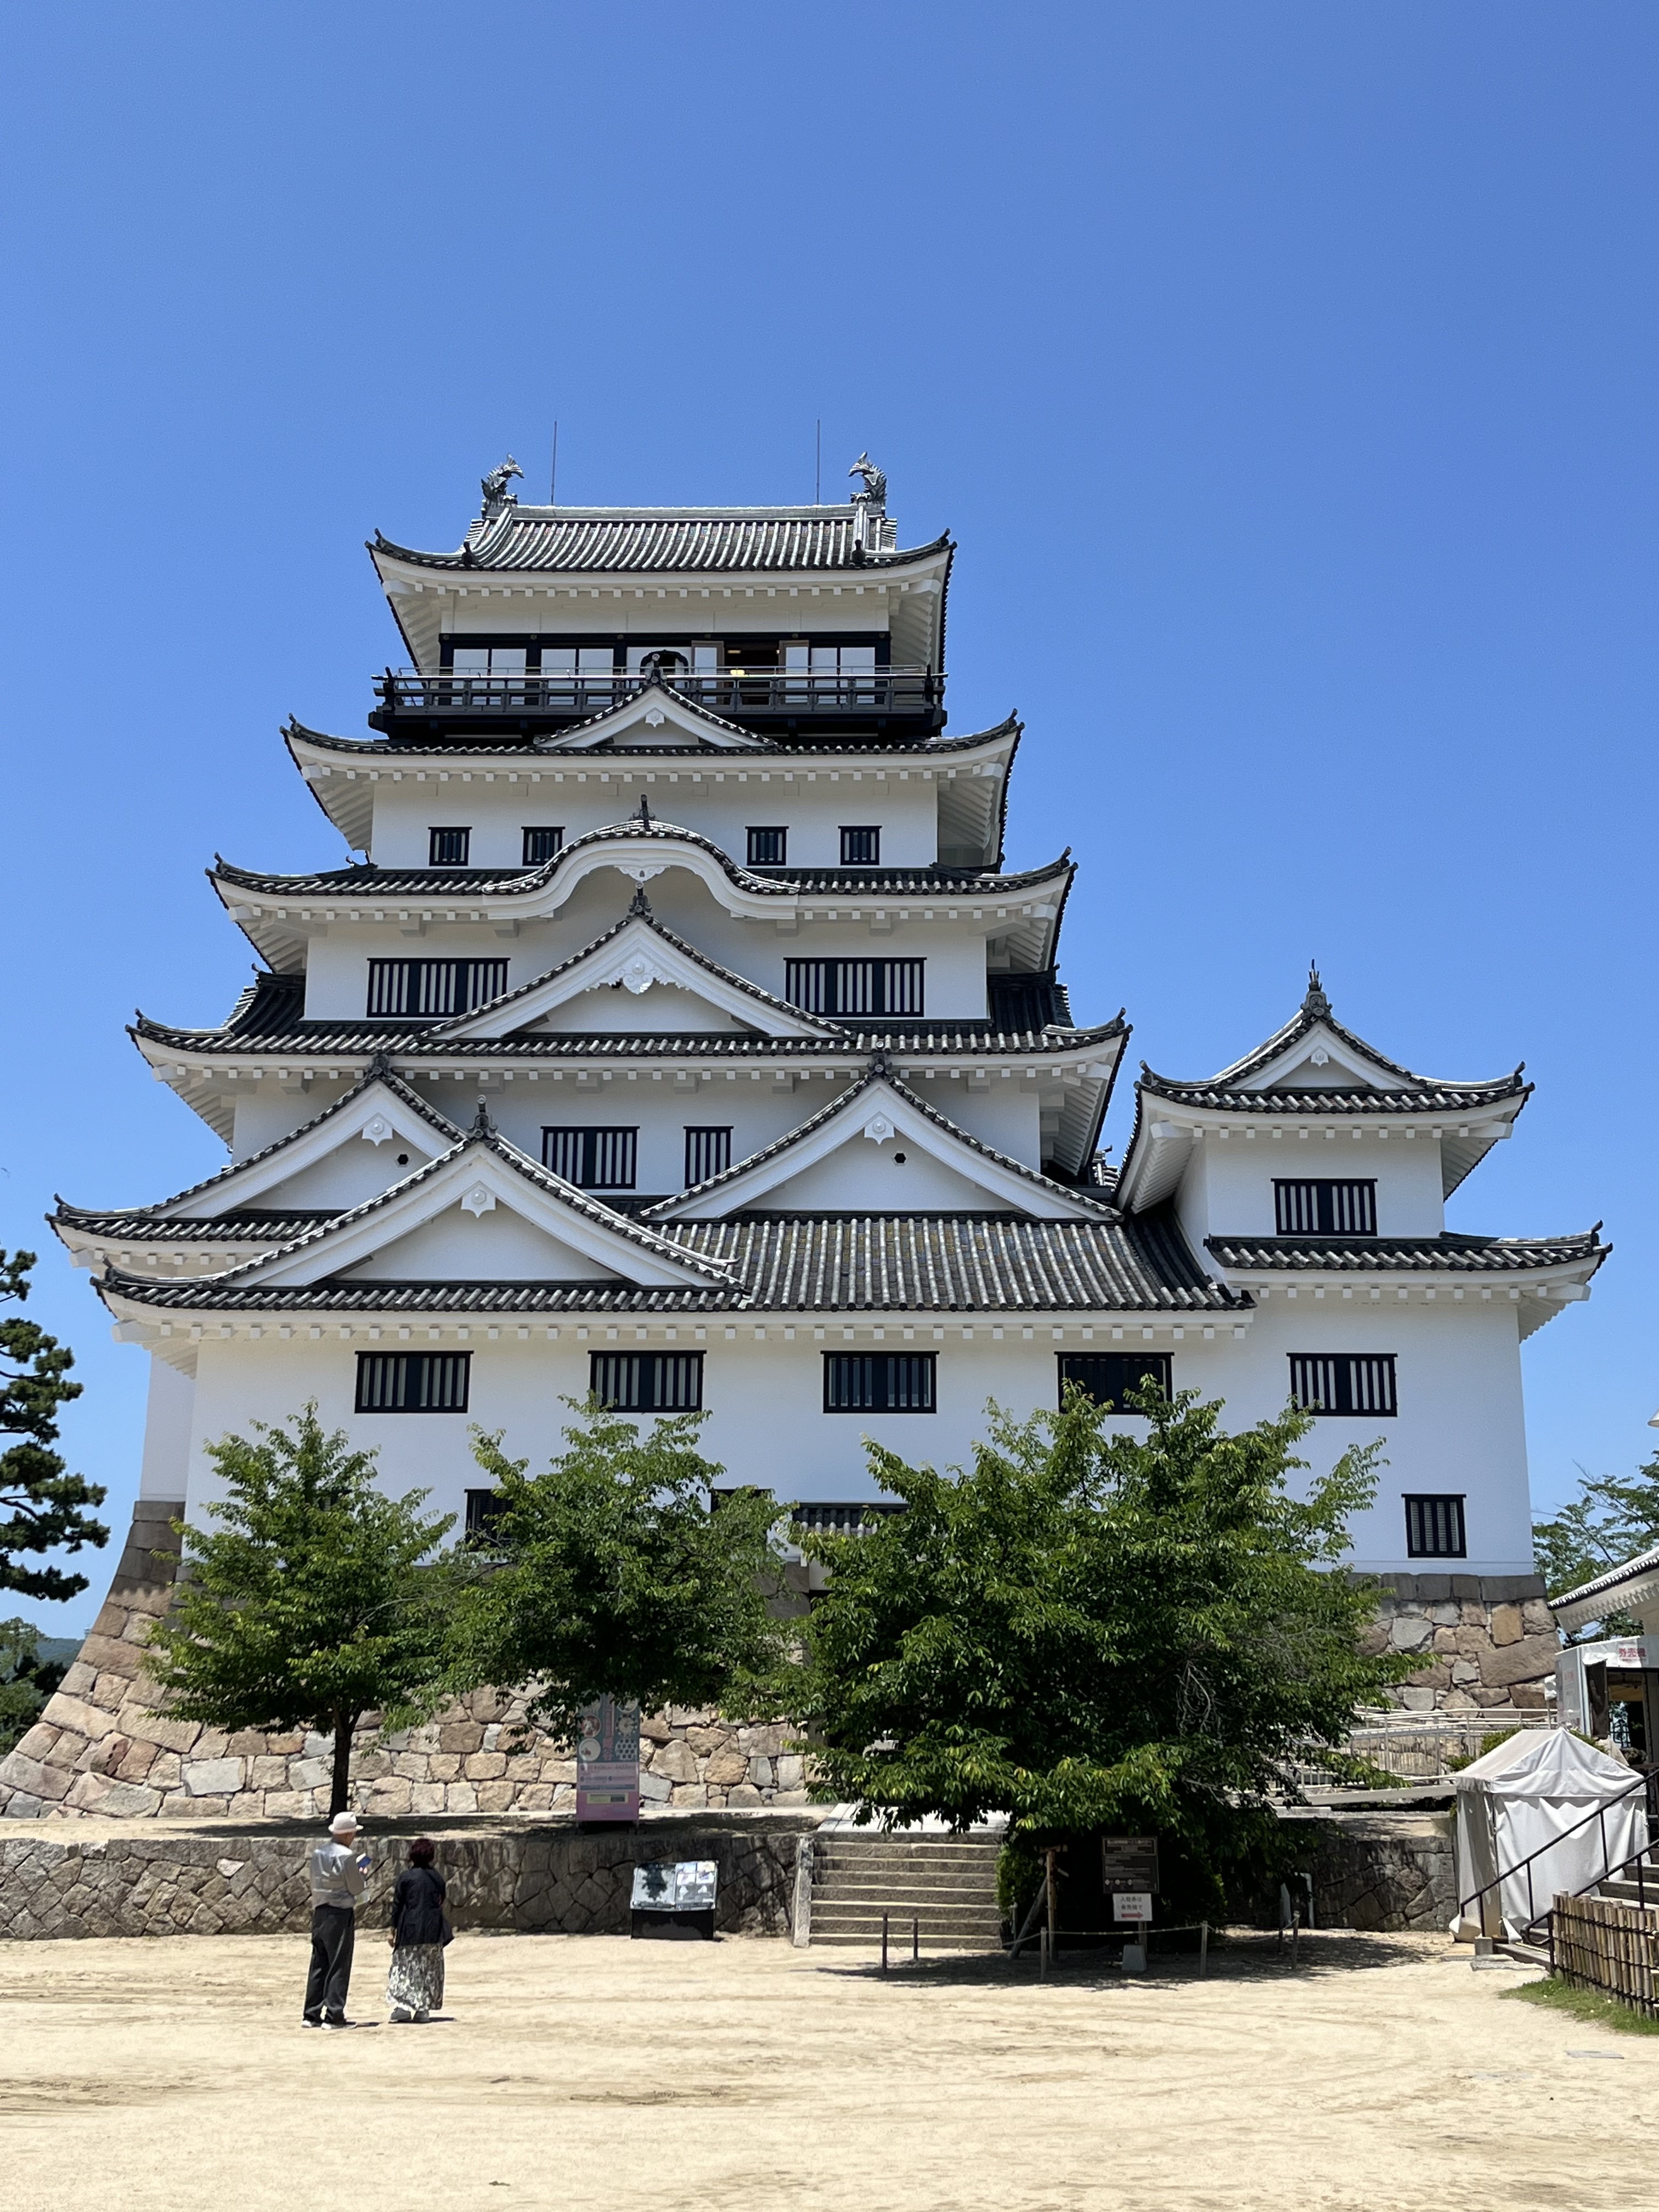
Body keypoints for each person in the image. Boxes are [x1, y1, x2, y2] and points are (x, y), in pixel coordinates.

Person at [302, 1809, 369, 2028]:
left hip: (320, 1911)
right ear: (349, 1834)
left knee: (319, 1963)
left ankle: (311, 2015)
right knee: (339, 1964)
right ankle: (334, 2015)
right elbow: (356, 1888)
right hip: (340, 1914)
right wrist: (363, 1874)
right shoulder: (348, 1857)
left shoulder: (318, 1853)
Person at [387, 1836, 449, 2023]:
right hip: (432, 1930)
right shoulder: (437, 1878)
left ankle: (403, 2007)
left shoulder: (406, 1878)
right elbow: (441, 1901)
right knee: (428, 1969)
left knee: (405, 1968)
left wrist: (392, 1930)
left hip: (410, 1929)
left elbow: (397, 1905)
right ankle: (423, 2009)